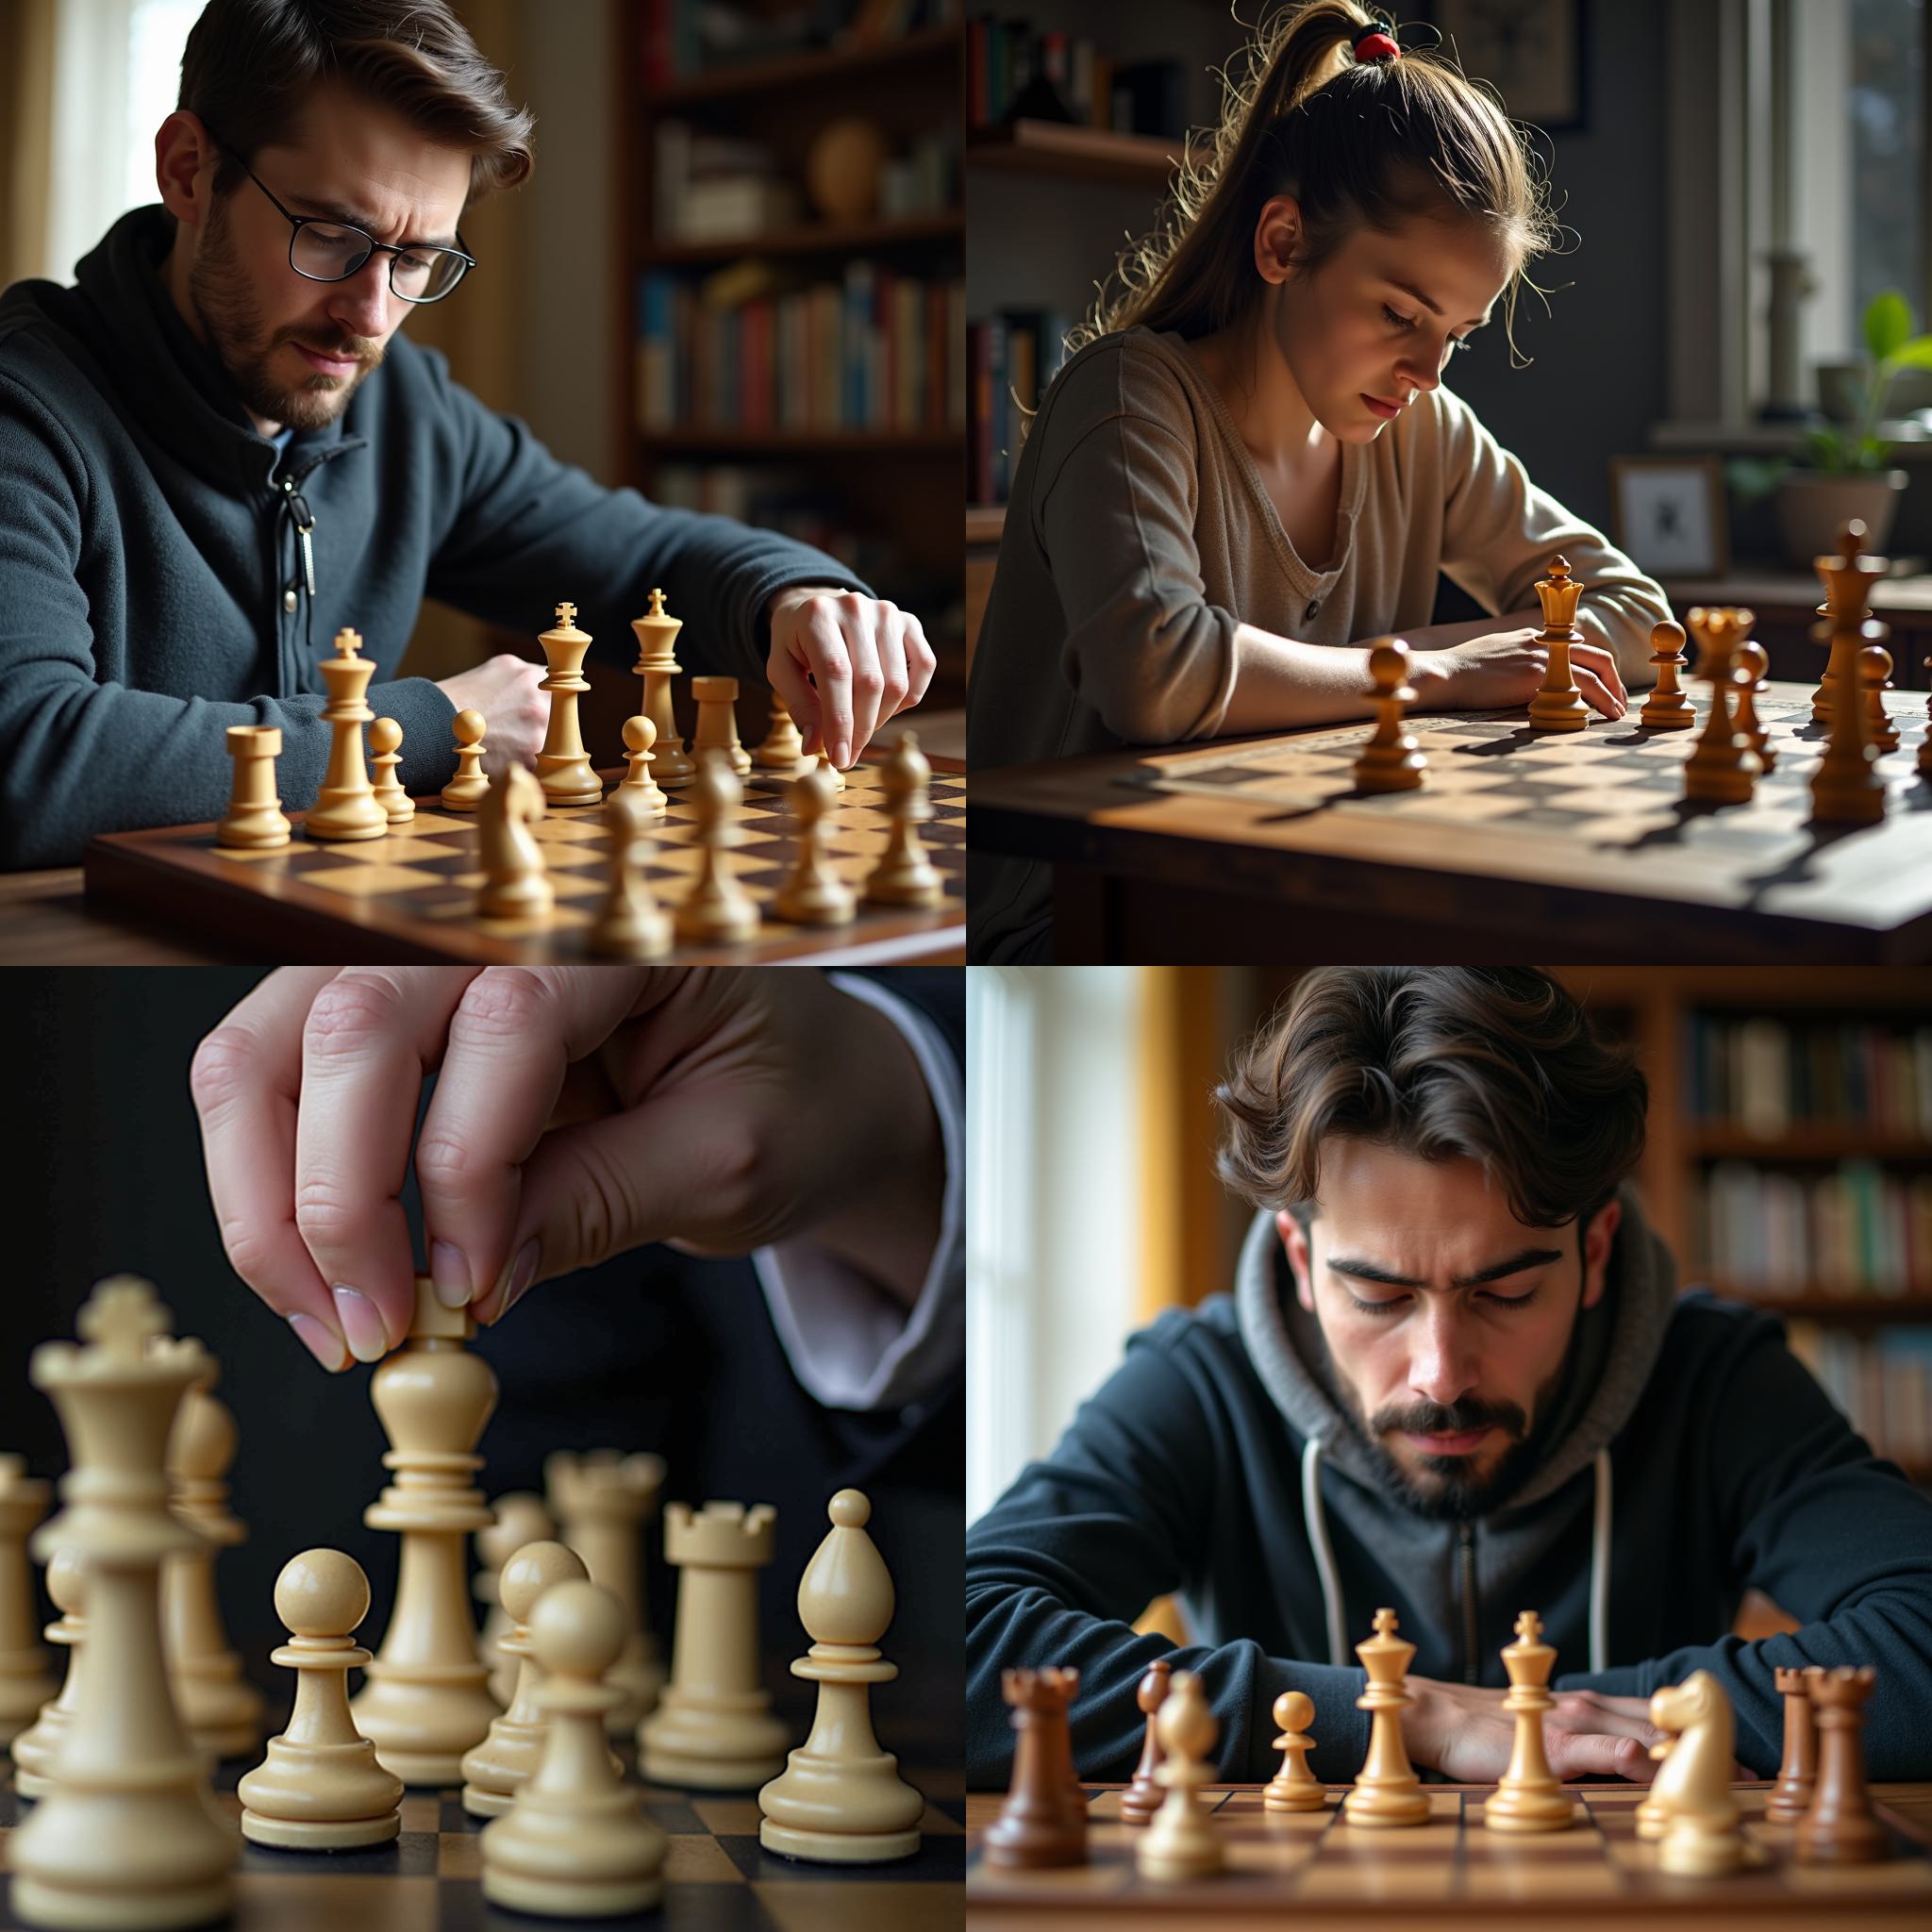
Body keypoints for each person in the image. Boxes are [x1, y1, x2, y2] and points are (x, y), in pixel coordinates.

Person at [0, 0, 935, 869]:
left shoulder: (406, 408)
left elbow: (640, 556)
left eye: (417, 258)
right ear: (188, 171)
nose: (368, 314)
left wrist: (795, 595)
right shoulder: (27, 409)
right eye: (329, 234)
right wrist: (433, 723)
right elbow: (29, 763)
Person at [966, 967, 1932, 1789]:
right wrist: (1412, 1714)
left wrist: (1564, 1717)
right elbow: (964, 1637)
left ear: (1593, 1250)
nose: (1438, 1372)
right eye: (1378, 1296)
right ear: (1300, 1264)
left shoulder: (1718, 1379)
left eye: (1503, 1289)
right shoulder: (1198, 1384)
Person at [966, 0, 1672, 962]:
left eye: (1454, 337)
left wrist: (1439, 655)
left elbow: (1635, 614)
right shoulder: (1128, 399)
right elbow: (1152, 674)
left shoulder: (1419, 429)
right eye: (1397, 313)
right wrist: (1435, 673)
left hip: (1295, 877)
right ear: (1281, 244)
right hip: (1075, 920)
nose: (1426, 371)